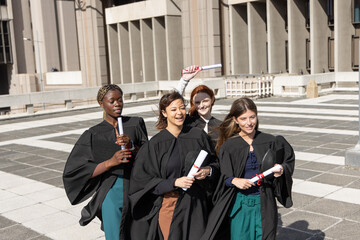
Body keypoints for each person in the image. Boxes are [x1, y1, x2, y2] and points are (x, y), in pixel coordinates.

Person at [200, 97, 295, 240]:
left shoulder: (269, 141)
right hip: (240, 204)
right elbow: (223, 177)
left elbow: (287, 162)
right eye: (243, 119)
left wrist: (281, 170)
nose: (249, 122)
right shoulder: (229, 146)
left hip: (265, 201)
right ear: (236, 120)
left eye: (252, 117)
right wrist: (234, 180)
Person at [129, 91, 219, 240]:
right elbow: (143, 181)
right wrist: (174, 182)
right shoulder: (155, 144)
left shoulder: (198, 135)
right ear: (164, 113)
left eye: (182, 108)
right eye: (173, 109)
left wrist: (208, 171)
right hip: (170, 205)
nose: (179, 113)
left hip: (196, 204)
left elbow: (216, 163)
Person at [63, 84, 148, 240]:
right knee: (115, 235)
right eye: (112, 101)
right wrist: (111, 162)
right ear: (101, 104)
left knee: (141, 233)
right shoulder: (93, 134)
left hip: (137, 187)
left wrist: (132, 147)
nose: (117, 104)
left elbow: (149, 156)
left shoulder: (136, 123)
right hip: (112, 191)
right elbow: (77, 171)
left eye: (120, 100)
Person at [176, 65, 222, 147]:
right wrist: (184, 80)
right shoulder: (187, 122)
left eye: (205, 101)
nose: (201, 106)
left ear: (212, 100)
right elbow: (172, 104)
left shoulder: (220, 126)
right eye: (197, 102)